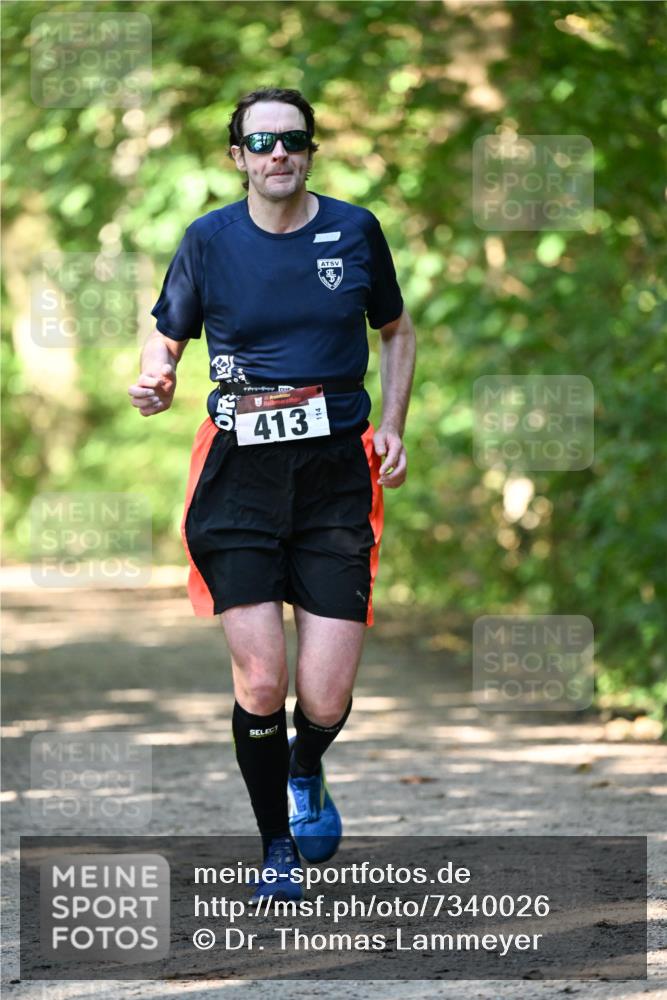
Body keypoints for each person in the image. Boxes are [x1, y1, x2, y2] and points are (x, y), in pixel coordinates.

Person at [128, 87, 416, 902]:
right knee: (261, 682)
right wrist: (159, 375)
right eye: (260, 142)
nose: (277, 153)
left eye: (292, 140)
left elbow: (394, 331)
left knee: (325, 694)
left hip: (333, 473)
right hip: (238, 475)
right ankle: (276, 848)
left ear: (310, 150)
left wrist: (393, 424)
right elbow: (168, 330)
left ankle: (305, 765)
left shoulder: (354, 231)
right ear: (238, 157)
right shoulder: (208, 240)